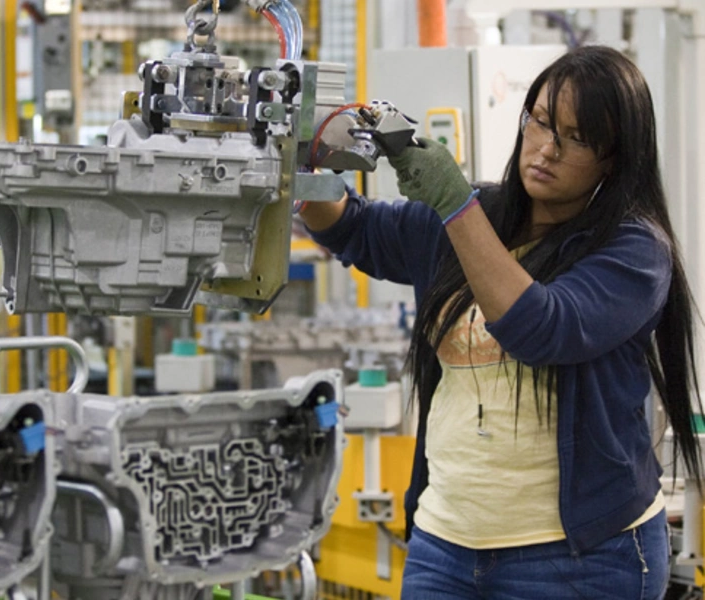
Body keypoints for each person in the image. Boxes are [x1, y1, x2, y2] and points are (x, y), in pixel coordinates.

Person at [300, 45, 703, 599]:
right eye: (539, 121)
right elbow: (356, 229)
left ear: (615, 158)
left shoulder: (633, 251)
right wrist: (296, 166)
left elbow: (540, 327)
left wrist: (452, 202)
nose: (546, 148)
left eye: (577, 137)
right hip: (444, 543)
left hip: (582, 558)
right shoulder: (478, 213)